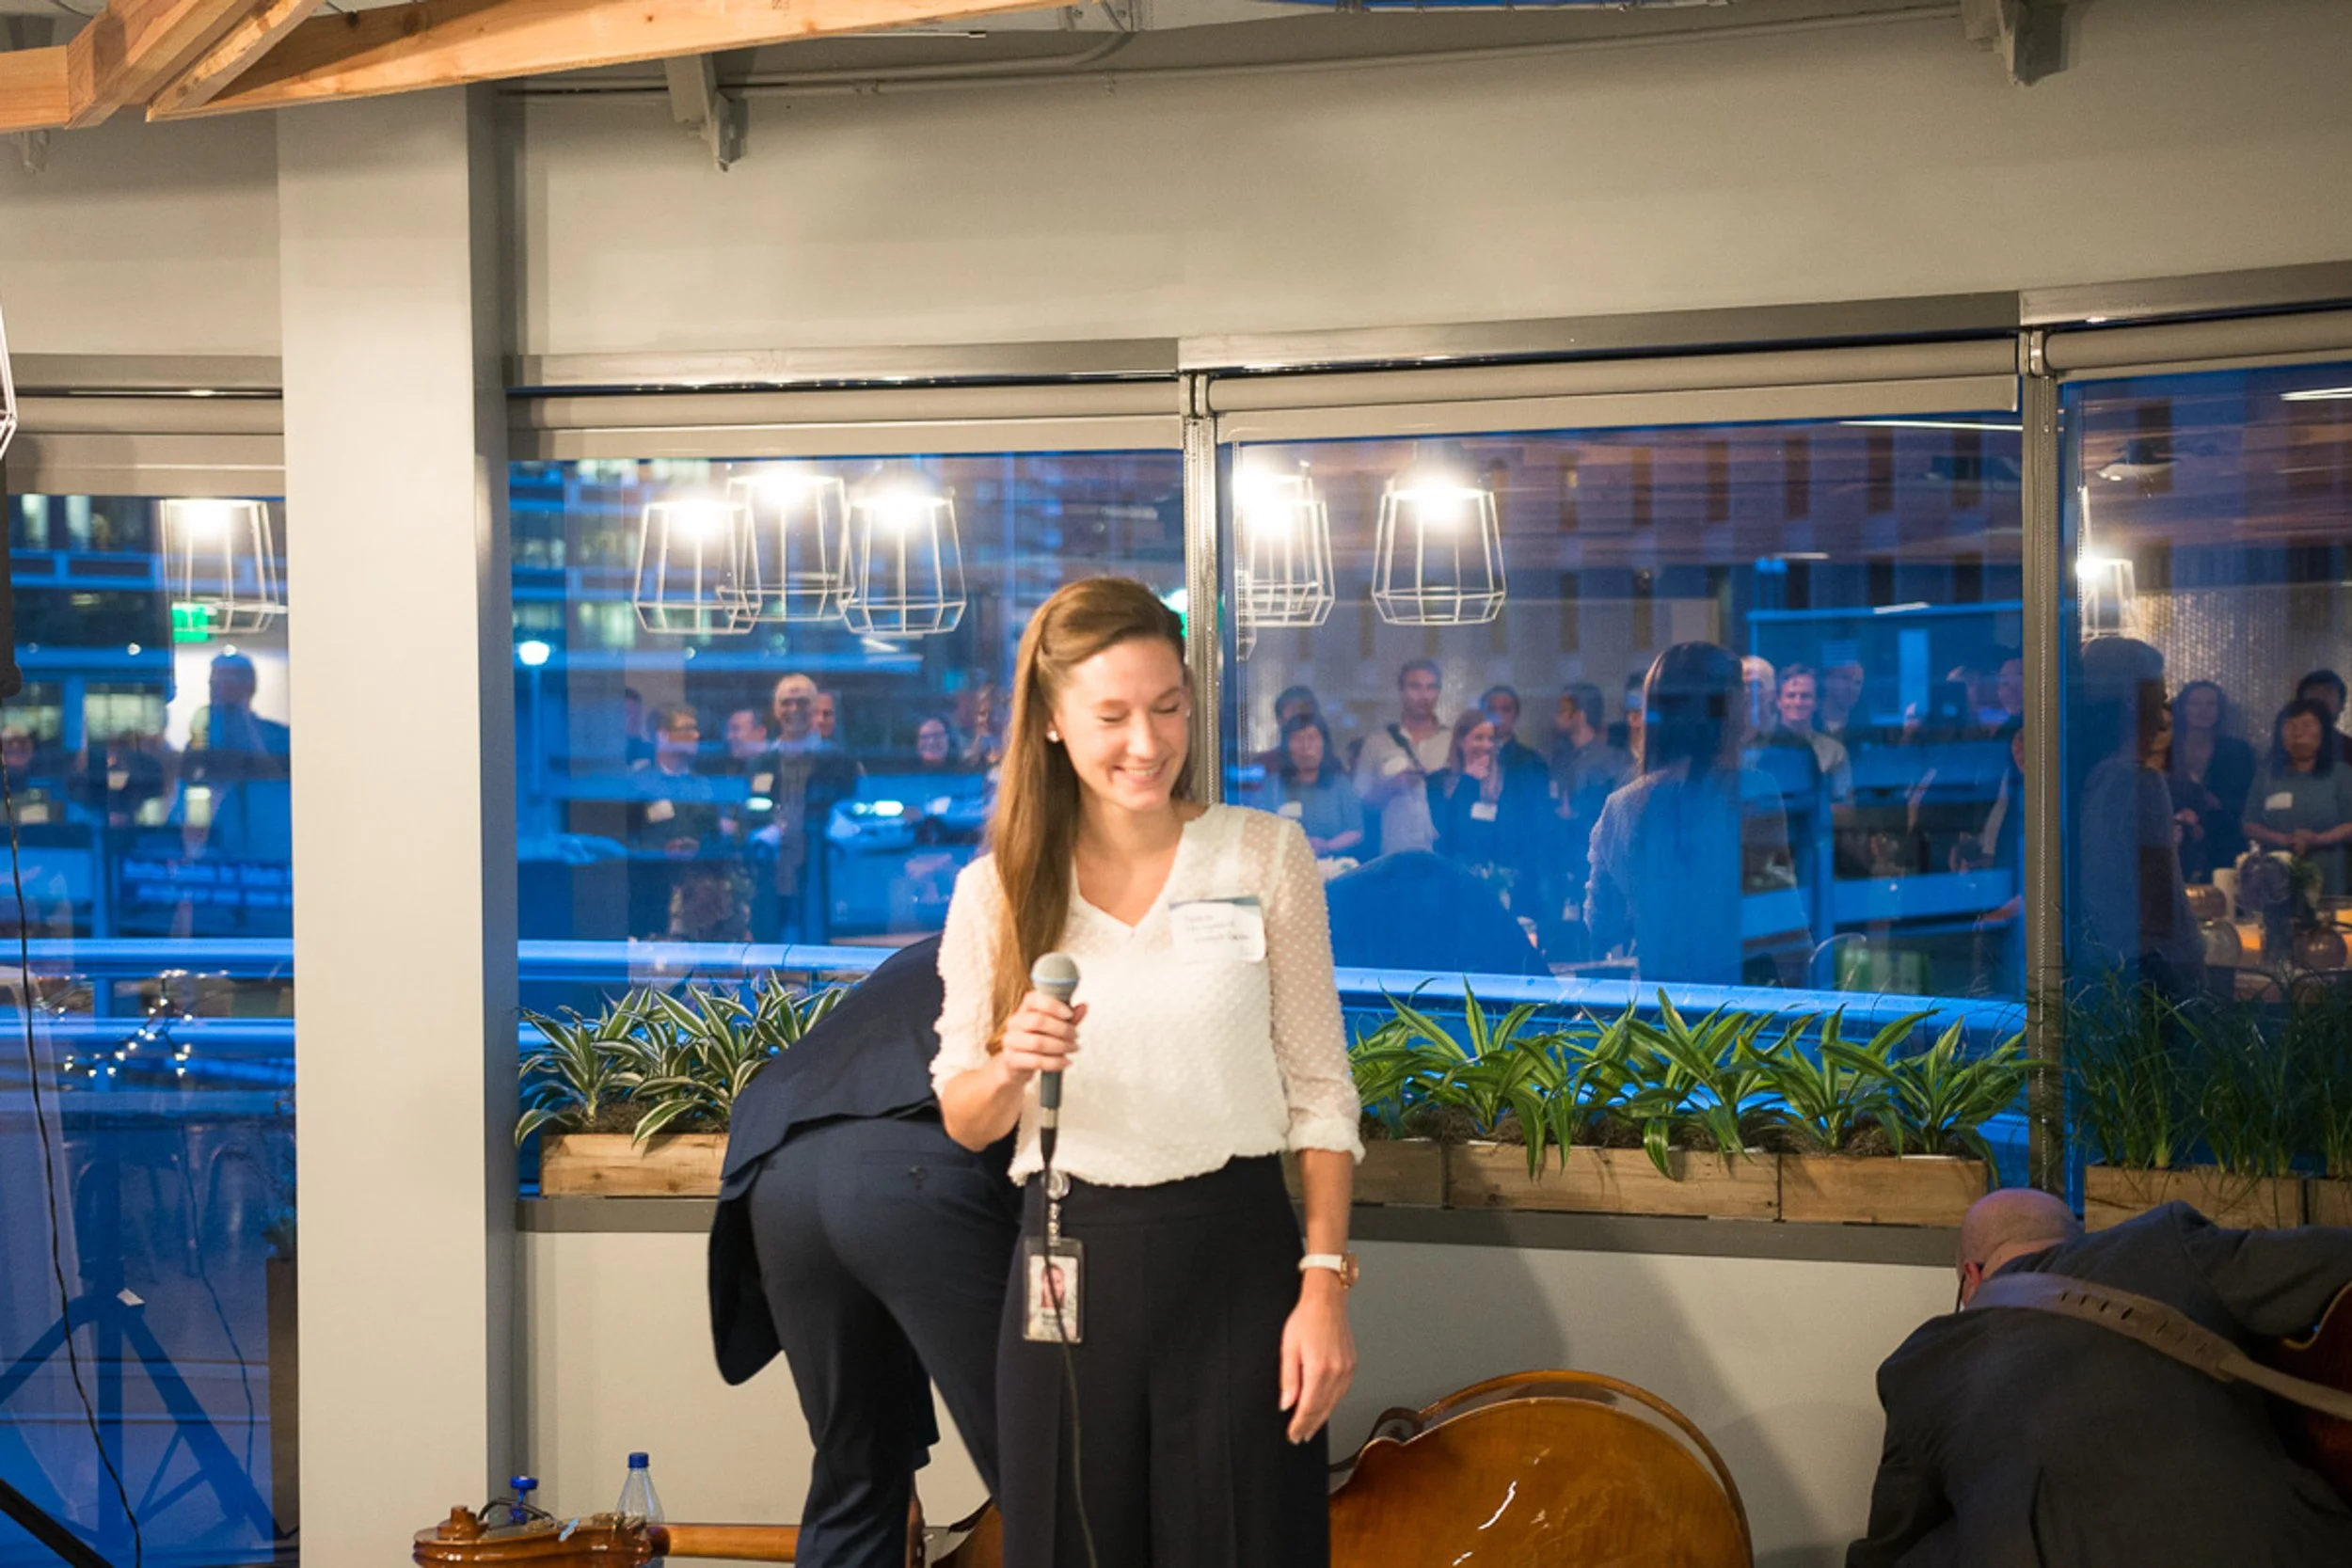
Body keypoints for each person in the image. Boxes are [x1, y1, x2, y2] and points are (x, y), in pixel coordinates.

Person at [930, 577, 1360, 1568]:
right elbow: (965, 1117)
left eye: (1167, 707)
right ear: (1049, 722)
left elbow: (1321, 1093)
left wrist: (1324, 1285)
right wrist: (1009, 1062)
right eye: (1112, 714)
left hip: (1239, 1259)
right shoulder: (994, 890)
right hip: (1067, 1251)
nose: (1147, 740)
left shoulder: (1263, 852)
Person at [711, 938, 1021, 1568]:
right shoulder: (1064, 939)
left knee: (855, 1485)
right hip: (914, 1153)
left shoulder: (921, 954)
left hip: (777, 1161)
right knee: (1051, 1479)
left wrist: (901, 1464)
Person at [1849, 1191, 2352, 1567]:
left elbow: (1891, 1543)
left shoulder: (1920, 1362)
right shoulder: (2163, 1243)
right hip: (2282, 1545)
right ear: (2079, 1240)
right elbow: (2334, 1258)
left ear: (1972, 1276)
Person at [1586, 642, 1801, 987]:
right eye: (1740, 697)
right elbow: (1782, 919)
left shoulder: (1621, 806)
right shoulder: (1753, 791)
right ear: (1726, 709)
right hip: (1737, 1011)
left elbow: (1602, 925)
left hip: (1659, 1013)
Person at [2074, 638, 2201, 994]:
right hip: (2141, 978)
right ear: (2132, 700)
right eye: (2158, 702)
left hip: (2090, 974)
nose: (2162, 723)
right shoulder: (2138, 785)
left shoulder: (2074, 777)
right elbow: (2160, 915)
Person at [750, 673, 862, 942]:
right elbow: (747, 813)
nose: (794, 709)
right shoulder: (761, 763)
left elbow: (854, 810)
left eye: (802, 702)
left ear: (815, 708)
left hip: (823, 870)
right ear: (776, 710)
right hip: (772, 872)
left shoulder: (840, 762)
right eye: (786, 702)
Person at [628, 702, 744, 941]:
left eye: (696, 728)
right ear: (663, 736)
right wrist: (660, 851)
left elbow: (720, 840)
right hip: (653, 900)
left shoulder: (704, 787)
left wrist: (700, 848)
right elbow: (626, 839)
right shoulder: (639, 785)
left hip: (700, 908)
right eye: (687, 729)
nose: (696, 735)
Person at [1544, 683, 1634, 958]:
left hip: (1596, 868)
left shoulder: (1614, 762)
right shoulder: (1561, 758)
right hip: (1562, 869)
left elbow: (1617, 826)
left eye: (1562, 710)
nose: (1555, 717)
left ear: (1579, 715)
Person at [1425, 708, 1547, 914]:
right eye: (1478, 738)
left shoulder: (1510, 781)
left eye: (1491, 739)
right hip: (1457, 883)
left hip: (1502, 883)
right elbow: (1448, 831)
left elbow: (1515, 832)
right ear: (1461, 741)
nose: (1486, 745)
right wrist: (1468, 782)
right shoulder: (1438, 782)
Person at [2246, 697, 2352, 895]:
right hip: (2276, 882)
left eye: (2307, 725)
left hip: (2332, 881)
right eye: (2290, 726)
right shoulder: (2268, 774)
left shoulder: (2341, 774)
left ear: (2323, 732)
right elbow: (2249, 824)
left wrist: (2317, 839)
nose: (2298, 732)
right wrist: (2284, 839)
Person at [1351, 659, 1451, 857]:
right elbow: (1359, 805)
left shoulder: (1453, 741)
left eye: (1430, 687)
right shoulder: (1376, 743)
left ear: (1438, 692)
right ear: (1401, 691)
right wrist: (1391, 787)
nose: (1423, 695)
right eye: (1415, 687)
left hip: (1443, 854)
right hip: (1391, 855)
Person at [2166, 680, 2254, 881]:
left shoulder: (2237, 750)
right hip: (2174, 842)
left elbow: (2248, 798)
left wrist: (2219, 803)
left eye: (2210, 704)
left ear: (2220, 710)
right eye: (2195, 703)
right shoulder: (2166, 748)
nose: (2203, 710)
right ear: (2182, 708)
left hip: (2223, 841)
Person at [1253, 713, 1364, 861]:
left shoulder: (1340, 784)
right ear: (1286, 747)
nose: (1306, 747)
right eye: (1297, 739)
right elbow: (1260, 832)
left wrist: (1327, 846)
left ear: (1324, 744)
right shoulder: (1272, 786)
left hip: (1334, 871)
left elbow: (1355, 831)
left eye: (1312, 738)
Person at [1774, 664, 1854, 802]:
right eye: (1791, 696)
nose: (1798, 702)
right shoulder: (1761, 747)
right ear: (1778, 702)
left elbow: (1845, 804)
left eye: (1805, 696)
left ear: (1816, 703)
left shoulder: (1834, 752)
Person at [1478, 685, 1548, 782]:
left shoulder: (1532, 762)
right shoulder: (1470, 759)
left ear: (1516, 715)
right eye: (1492, 709)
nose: (1499, 715)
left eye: (1506, 710)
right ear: (1483, 714)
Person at [2295, 669, 2352, 767]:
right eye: (2314, 691)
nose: (2320, 697)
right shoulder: (2285, 748)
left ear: (2342, 705)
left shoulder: (2349, 749)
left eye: (2328, 691)